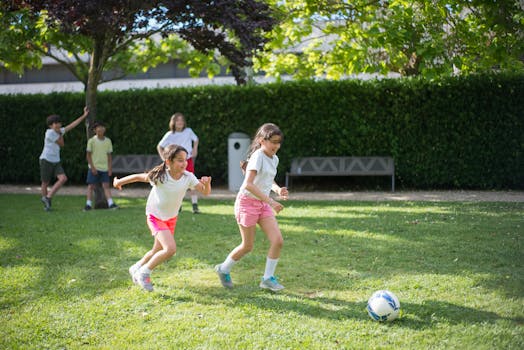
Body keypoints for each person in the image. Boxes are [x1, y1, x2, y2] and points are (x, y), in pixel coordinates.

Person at [113, 144, 212, 292]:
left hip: (171, 218)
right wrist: (119, 182)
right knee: (170, 249)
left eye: (185, 160)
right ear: (168, 162)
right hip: (155, 216)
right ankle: (144, 273)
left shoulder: (188, 177)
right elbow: (139, 177)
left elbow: (205, 192)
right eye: (179, 160)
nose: (184, 163)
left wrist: (207, 184)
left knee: (156, 250)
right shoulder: (161, 176)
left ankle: (136, 267)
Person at [215, 123, 289, 292]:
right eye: (274, 142)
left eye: (279, 143)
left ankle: (267, 279)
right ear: (262, 140)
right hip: (247, 203)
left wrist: (278, 190)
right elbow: (248, 184)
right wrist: (271, 201)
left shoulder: (274, 158)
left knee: (277, 240)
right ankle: (223, 268)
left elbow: (267, 180)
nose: (277, 146)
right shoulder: (258, 156)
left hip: (262, 204)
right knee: (247, 246)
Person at [39, 106, 89, 211]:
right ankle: (46, 205)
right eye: (55, 123)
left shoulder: (59, 131)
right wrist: (61, 132)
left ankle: (48, 197)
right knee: (45, 182)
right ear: (50, 125)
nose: (57, 124)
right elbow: (62, 144)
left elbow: (72, 125)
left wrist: (84, 116)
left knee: (63, 179)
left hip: (56, 160)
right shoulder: (50, 133)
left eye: (58, 122)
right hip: (46, 159)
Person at [157, 112, 201, 213]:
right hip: (175, 162)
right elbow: (160, 146)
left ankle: (195, 205)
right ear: (173, 122)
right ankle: (178, 205)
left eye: (182, 120)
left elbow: (196, 139)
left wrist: (195, 149)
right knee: (177, 182)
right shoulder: (170, 134)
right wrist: (164, 158)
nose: (180, 122)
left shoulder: (188, 131)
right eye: (177, 120)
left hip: (187, 160)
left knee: (192, 181)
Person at [84, 121, 118, 211]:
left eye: (102, 127)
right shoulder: (91, 141)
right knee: (91, 186)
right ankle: (88, 204)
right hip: (93, 168)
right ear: (95, 130)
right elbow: (88, 155)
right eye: (98, 127)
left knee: (106, 186)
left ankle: (111, 203)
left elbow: (109, 156)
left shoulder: (108, 141)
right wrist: (92, 167)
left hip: (104, 168)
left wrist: (110, 168)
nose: (101, 129)